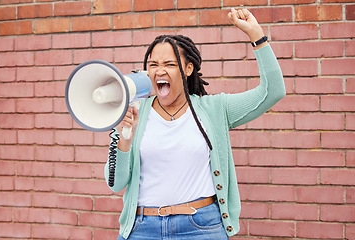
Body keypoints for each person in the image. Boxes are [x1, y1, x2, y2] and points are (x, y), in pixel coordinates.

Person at [104, 8, 286, 240]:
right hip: (142, 229)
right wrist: (124, 138)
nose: (160, 70)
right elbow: (116, 183)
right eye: (153, 64)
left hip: (200, 228)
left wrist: (257, 36)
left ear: (188, 69)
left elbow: (272, 92)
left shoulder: (215, 110)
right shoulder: (133, 112)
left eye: (170, 64)